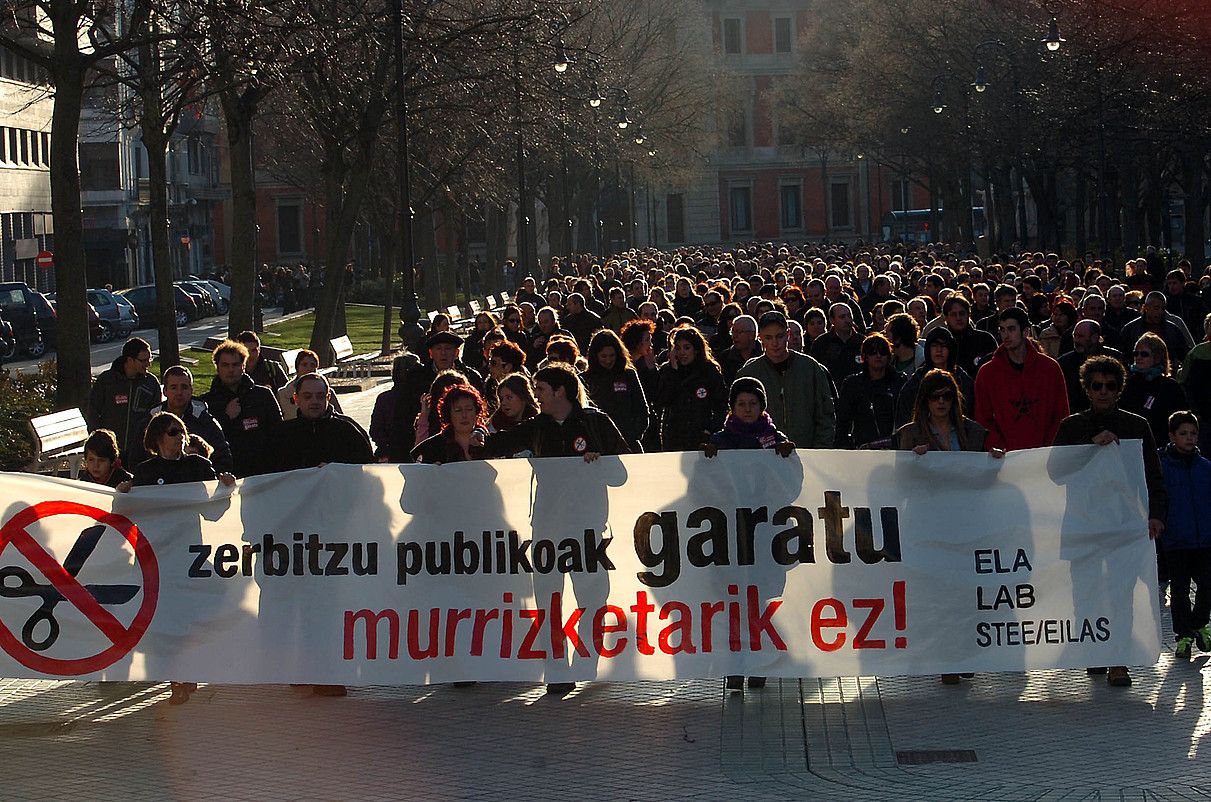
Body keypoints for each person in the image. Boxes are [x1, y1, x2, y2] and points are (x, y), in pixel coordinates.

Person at [1053, 355, 1167, 687]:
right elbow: (1054, 471)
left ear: (1120, 390)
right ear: (1086, 389)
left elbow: (1153, 476)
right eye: (1096, 386)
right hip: (1081, 522)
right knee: (1085, 593)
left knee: (1121, 592)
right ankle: (1096, 650)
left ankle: (1119, 659)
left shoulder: (1136, 426)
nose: (1103, 392)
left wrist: (1157, 515)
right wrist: (1089, 447)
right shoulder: (1071, 427)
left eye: (1110, 386)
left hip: (1124, 523)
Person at [120, 411, 235, 704]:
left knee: (193, 615)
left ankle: (190, 669)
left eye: (182, 431)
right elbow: (128, 512)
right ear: (158, 439)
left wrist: (225, 488)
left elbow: (214, 511)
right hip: (158, 559)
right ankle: (177, 678)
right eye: (173, 432)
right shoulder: (145, 473)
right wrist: (122, 495)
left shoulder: (197, 466)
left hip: (190, 556)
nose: (180, 437)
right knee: (167, 618)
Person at [702, 376, 795, 693]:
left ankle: (759, 664)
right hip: (729, 535)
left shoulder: (776, 440)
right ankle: (736, 667)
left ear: (762, 407)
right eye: (741, 404)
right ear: (732, 407)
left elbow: (794, 487)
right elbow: (701, 489)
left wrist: (786, 459)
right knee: (734, 603)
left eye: (753, 404)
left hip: (765, 534)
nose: (747, 409)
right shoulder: (719, 441)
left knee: (761, 602)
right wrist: (707, 461)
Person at [974, 307, 1069, 452]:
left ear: (1025, 332)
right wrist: (997, 446)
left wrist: (1049, 447)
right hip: (1005, 458)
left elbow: (1060, 414)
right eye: (1002, 330)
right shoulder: (987, 373)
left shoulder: (1050, 368)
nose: (1006, 335)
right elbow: (983, 418)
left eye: (1011, 329)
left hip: (1045, 455)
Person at [737, 311, 836, 448]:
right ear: (760, 338)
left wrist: (820, 450)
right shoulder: (749, 373)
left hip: (806, 454)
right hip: (762, 457)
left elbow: (825, 414)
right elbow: (738, 419)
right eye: (769, 337)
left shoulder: (810, 368)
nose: (775, 343)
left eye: (779, 336)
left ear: (788, 335)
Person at [1159, 411, 1211, 659]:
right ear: (1172, 436)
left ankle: (1199, 623)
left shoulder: (1205, 467)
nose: (1189, 438)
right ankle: (1184, 635)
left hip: (1204, 539)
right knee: (1179, 592)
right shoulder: (1163, 466)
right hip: (1177, 540)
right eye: (1183, 434)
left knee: (1207, 585)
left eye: (1193, 433)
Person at [202, 340, 284, 476]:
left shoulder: (263, 395)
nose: (230, 370)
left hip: (263, 473)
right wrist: (226, 417)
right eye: (225, 365)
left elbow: (278, 433)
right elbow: (207, 442)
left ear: (243, 366)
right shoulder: (207, 403)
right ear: (217, 367)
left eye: (235, 364)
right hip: (227, 475)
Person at [138, 365, 234, 474]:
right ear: (165, 391)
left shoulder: (205, 421)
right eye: (174, 387)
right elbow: (136, 460)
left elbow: (223, 458)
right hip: (159, 486)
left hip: (196, 487)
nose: (179, 392)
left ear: (191, 390)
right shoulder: (150, 422)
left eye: (184, 387)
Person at [274, 373, 374, 471]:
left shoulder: (348, 431)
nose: (314, 401)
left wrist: (337, 470)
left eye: (320, 396)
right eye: (307, 396)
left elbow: (367, 470)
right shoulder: (283, 435)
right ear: (296, 399)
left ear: (328, 397)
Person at [86, 337, 161, 463]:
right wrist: (98, 439)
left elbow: (156, 414)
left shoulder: (151, 383)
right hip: (110, 449)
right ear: (130, 360)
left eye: (150, 359)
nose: (148, 364)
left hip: (139, 450)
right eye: (143, 360)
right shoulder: (107, 380)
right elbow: (92, 410)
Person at [653, 325, 728, 452]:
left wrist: (709, 430)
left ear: (696, 349)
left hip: (701, 438)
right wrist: (674, 372)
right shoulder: (668, 370)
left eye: (686, 348)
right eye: (678, 348)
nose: (682, 352)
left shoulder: (709, 371)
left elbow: (721, 406)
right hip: (674, 438)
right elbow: (663, 400)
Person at [835, 333, 906, 449]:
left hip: (895, 449)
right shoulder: (853, 384)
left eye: (883, 352)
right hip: (863, 450)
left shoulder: (900, 381)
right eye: (873, 352)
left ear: (889, 356)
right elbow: (842, 421)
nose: (878, 355)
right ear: (864, 357)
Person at [581, 329, 649, 450]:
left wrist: (634, 434)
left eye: (612, 356)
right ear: (595, 356)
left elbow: (641, 408)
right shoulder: (584, 379)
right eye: (603, 356)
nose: (608, 360)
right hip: (598, 446)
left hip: (628, 442)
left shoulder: (628, 374)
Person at [1120, 332, 1188, 445]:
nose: (1139, 357)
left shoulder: (1171, 387)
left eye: (1144, 354)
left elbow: (1179, 420)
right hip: (1131, 443)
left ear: (1157, 357)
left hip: (1161, 444)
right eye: (1136, 354)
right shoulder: (1127, 384)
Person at [411, 384, 491, 464]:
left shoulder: (492, 443)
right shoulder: (432, 448)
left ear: (476, 411)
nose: (464, 415)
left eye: (469, 409)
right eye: (458, 410)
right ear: (449, 414)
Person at [1057, 320, 1125, 413]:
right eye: (1074, 336)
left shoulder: (1115, 358)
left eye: (1080, 336)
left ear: (1094, 338)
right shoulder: (1064, 363)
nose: (1076, 340)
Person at [277, 349, 344, 421]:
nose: (309, 369)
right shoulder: (283, 394)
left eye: (312, 365)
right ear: (297, 368)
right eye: (304, 365)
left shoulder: (327, 392)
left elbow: (340, 417)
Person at [810, 302, 863, 384]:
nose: (847, 320)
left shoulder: (862, 342)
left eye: (849, 316)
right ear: (832, 320)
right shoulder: (821, 343)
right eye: (842, 317)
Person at [717, 314, 761, 385]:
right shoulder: (725, 358)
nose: (734, 336)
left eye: (739, 332)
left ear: (751, 335)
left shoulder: (765, 354)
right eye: (732, 332)